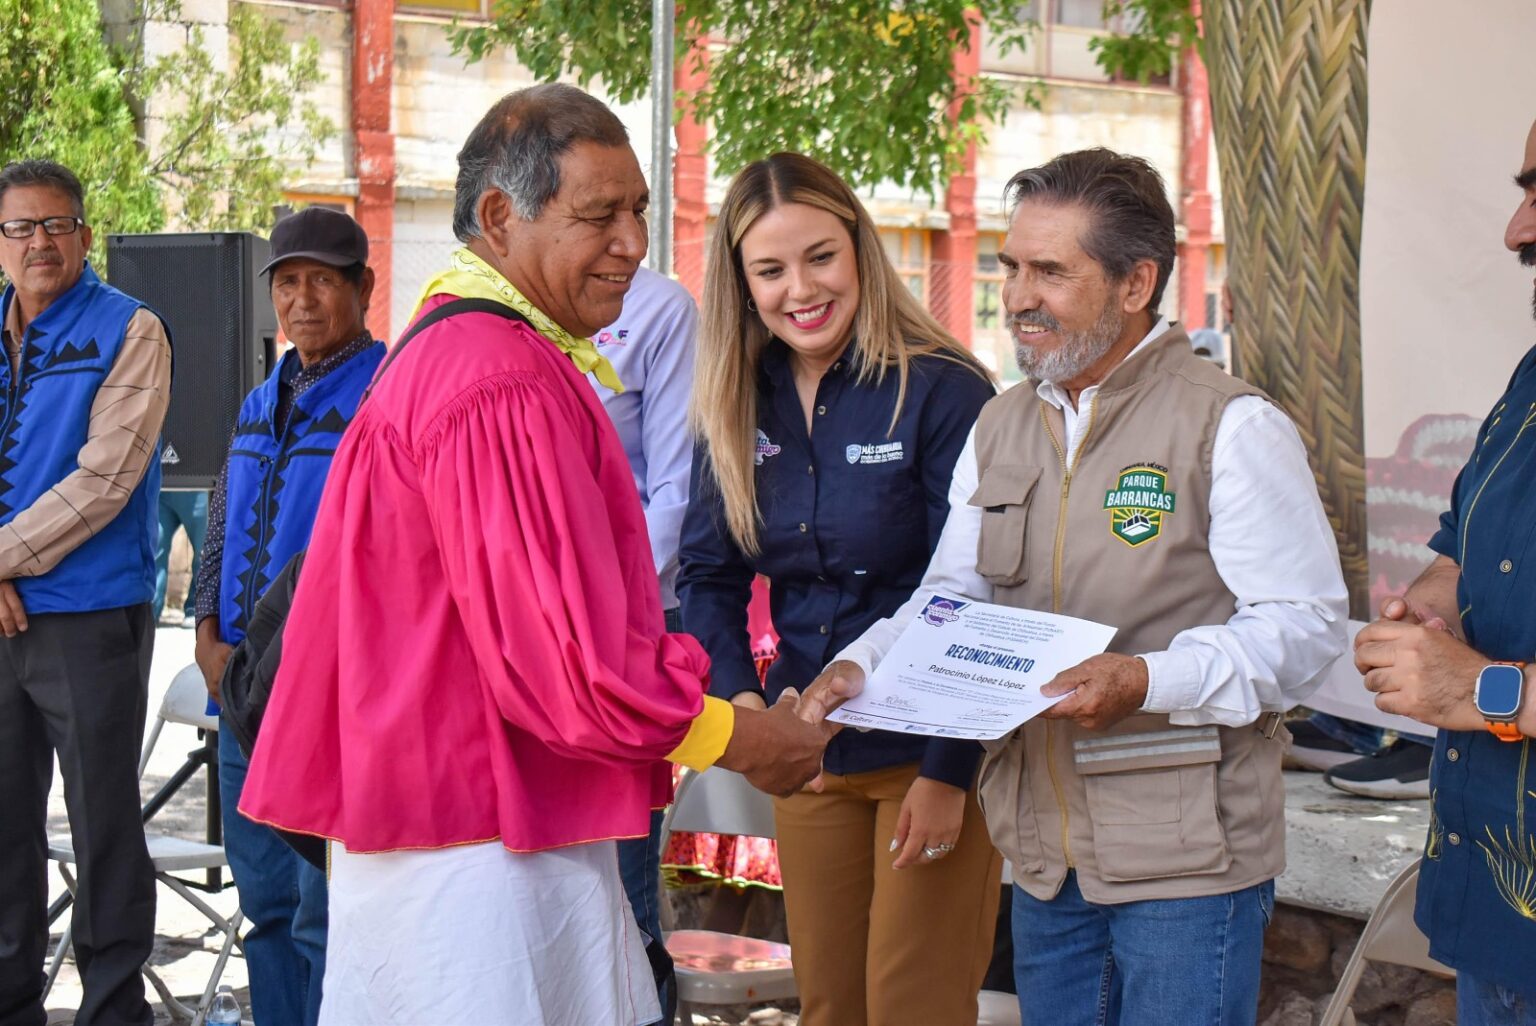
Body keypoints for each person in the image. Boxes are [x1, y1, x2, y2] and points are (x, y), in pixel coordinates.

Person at [236, 83, 832, 1025]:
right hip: (480, 841)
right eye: (599, 215)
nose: (634, 242)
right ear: (499, 218)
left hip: (459, 827)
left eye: (638, 210)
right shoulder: (497, 375)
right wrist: (743, 739)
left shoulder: (459, 352)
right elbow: (570, 667)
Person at [803, 148, 1349, 1026]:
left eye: (1051, 272)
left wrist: (1145, 679)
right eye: (1011, 266)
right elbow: (954, 599)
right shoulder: (1001, 423)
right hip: (1045, 864)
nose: (1017, 295)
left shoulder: (1232, 425)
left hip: (1187, 867)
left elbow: (1307, 631)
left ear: (1137, 284)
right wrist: (862, 668)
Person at [679, 151, 1001, 1025]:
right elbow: (708, 575)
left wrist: (950, 774)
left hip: (928, 757)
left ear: (860, 248)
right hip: (812, 759)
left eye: (820, 256)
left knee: (914, 1009)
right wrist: (750, 713)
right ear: (742, 284)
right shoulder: (735, 398)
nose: (800, 289)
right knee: (829, 1010)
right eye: (770, 269)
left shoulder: (946, 388)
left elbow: (980, 593)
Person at [1354, 115, 1536, 1025]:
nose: (1517, 230)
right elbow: (1460, 549)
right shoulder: (1531, 380)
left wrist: (1489, 689)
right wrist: (1424, 615)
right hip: (1494, 923)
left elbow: (1485, 689)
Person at [191, 206, 386, 1026]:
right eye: (289, 281)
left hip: (325, 703)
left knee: (320, 918)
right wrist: (205, 633)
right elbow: (219, 520)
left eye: (323, 280)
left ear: (363, 288)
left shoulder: (384, 395)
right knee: (264, 907)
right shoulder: (257, 398)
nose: (303, 300)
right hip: (238, 697)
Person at [0, 160, 172, 1026]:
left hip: (91, 618)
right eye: (20, 228)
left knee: (104, 829)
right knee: (2, 833)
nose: (39, 243)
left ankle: (112, 1013)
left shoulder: (131, 329)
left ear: (86, 234)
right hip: (0, 618)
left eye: (55, 224)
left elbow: (105, 480)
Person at [587, 264, 699, 1024]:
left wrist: (605, 611)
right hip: (525, 639)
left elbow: (676, 488)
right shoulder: (494, 307)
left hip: (626, 628)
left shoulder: (660, 310)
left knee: (622, 890)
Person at [151, 489, 207, 625]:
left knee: (204, 553)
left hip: (198, 485)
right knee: (153, 550)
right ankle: (149, 611)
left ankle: (195, 609)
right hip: (162, 485)